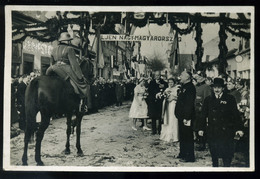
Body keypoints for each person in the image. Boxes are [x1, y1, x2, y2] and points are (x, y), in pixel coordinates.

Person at [198, 78, 244, 167]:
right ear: (213, 88)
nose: (217, 90)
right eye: (215, 87)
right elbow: (203, 115)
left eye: (219, 87)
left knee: (227, 154)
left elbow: (235, 115)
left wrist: (239, 128)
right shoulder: (208, 99)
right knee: (214, 153)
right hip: (213, 130)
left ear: (223, 88)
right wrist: (201, 128)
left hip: (226, 131)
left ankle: (226, 168)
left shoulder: (230, 98)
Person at [46, 32, 88, 112]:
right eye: (69, 40)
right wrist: (80, 76)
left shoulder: (54, 49)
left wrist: (52, 67)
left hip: (52, 68)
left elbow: (51, 62)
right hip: (65, 68)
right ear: (67, 41)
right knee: (79, 84)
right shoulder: (69, 49)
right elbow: (74, 65)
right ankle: (81, 105)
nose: (70, 42)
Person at [175, 70, 196, 162]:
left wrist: (186, 117)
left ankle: (189, 156)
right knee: (182, 135)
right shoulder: (184, 87)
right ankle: (183, 153)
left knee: (187, 136)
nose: (180, 77)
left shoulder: (190, 87)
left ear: (187, 77)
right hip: (181, 116)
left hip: (186, 117)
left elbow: (189, 104)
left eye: (182, 75)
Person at [160, 77, 180, 143]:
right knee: (167, 118)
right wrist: (165, 97)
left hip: (173, 105)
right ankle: (167, 135)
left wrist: (173, 98)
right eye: (169, 82)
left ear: (174, 83)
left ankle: (174, 136)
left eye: (172, 82)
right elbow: (164, 96)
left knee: (173, 119)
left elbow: (179, 98)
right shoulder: (167, 89)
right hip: (167, 105)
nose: (170, 83)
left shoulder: (177, 89)